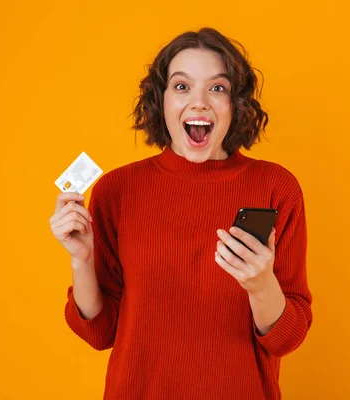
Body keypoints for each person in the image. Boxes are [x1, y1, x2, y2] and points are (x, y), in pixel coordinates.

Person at [49, 27, 313, 399]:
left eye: (217, 88)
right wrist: (82, 258)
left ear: (236, 104)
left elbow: (288, 338)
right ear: (161, 100)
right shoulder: (117, 190)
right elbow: (100, 332)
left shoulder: (275, 187)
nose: (199, 102)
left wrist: (260, 284)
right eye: (182, 86)